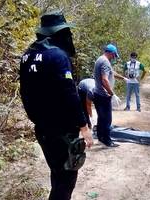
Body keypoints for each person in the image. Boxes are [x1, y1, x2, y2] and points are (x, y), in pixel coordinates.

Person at [19, 11, 93, 200]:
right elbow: (69, 93)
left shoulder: (27, 55)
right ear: (59, 33)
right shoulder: (57, 55)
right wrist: (84, 126)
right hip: (62, 131)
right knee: (66, 180)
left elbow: (25, 92)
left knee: (57, 173)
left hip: (42, 129)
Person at [93, 44, 127, 147]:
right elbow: (104, 79)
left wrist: (123, 78)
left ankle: (100, 138)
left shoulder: (100, 59)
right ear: (111, 53)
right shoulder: (105, 62)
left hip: (97, 94)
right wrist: (112, 94)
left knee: (101, 118)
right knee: (107, 119)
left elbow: (112, 73)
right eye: (114, 55)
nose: (114, 57)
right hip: (103, 95)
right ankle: (107, 141)